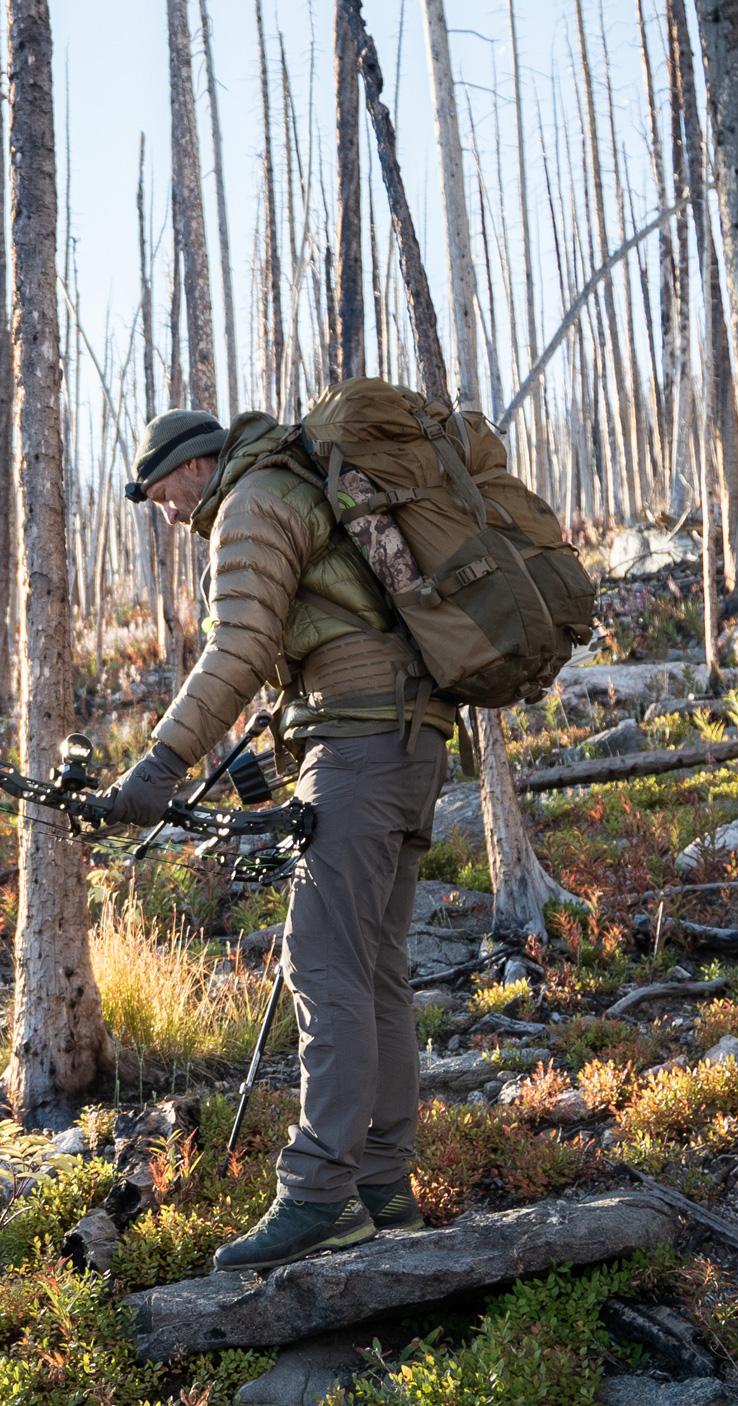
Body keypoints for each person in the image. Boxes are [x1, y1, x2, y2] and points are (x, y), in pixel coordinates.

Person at [97, 406, 454, 1274]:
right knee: (373, 971)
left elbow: (239, 648)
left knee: (324, 966)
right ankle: (382, 1192)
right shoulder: (294, 484)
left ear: (191, 468)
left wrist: (159, 766)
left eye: (161, 497)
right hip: (411, 741)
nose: (171, 517)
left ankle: (318, 1201)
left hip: (361, 751)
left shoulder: (253, 500)